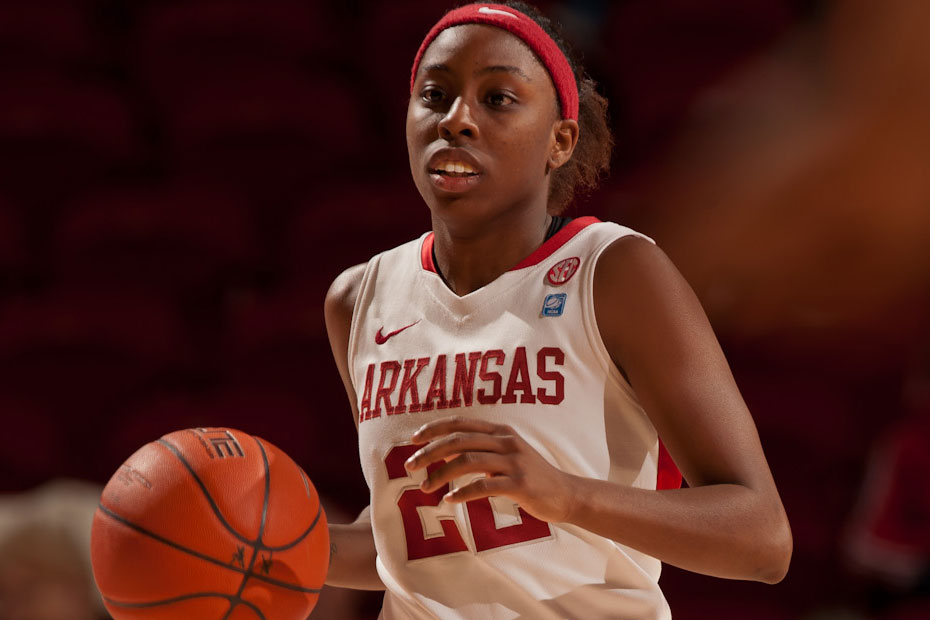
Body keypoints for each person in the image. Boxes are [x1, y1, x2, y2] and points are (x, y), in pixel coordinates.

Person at [323, 3, 792, 618]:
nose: (456, 119)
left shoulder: (615, 271)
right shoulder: (358, 299)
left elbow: (762, 540)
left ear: (560, 141)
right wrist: (268, 547)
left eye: (498, 99)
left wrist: (568, 496)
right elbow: (415, 547)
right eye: (434, 96)